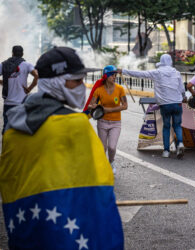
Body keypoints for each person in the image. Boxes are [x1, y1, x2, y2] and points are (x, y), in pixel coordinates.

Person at [0, 47, 124, 249]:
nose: (81, 86)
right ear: (57, 82)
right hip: (66, 236)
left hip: (27, 232)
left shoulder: (12, 128)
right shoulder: (76, 126)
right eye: (76, 81)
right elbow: (98, 186)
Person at [117, 54, 185, 159]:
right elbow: (182, 90)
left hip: (165, 105)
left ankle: (166, 151)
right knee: (177, 125)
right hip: (177, 103)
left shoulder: (157, 73)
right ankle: (180, 143)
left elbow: (140, 74)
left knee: (166, 126)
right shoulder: (176, 73)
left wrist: (123, 71)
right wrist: (183, 97)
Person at [88, 65, 128, 174]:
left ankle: (111, 162)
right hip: (102, 122)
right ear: (106, 76)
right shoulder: (99, 90)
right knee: (103, 148)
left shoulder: (120, 89)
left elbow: (125, 106)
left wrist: (108, 109)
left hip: (116, 123)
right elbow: (91, 104)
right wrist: (94, 106)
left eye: (115, 75)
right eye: (112, 75)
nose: (114, 77)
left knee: (112, 147)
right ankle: (102, 166)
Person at [0, 45, 38, 134]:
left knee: (6, 130)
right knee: (21, 130)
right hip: (22, 102)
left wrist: (3, 82)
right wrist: (29, 88)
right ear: (22, 54)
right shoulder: (27, 65)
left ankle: (6, 146)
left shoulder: (3, 64)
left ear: (12, 53)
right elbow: (36, 75)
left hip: (8, 103)